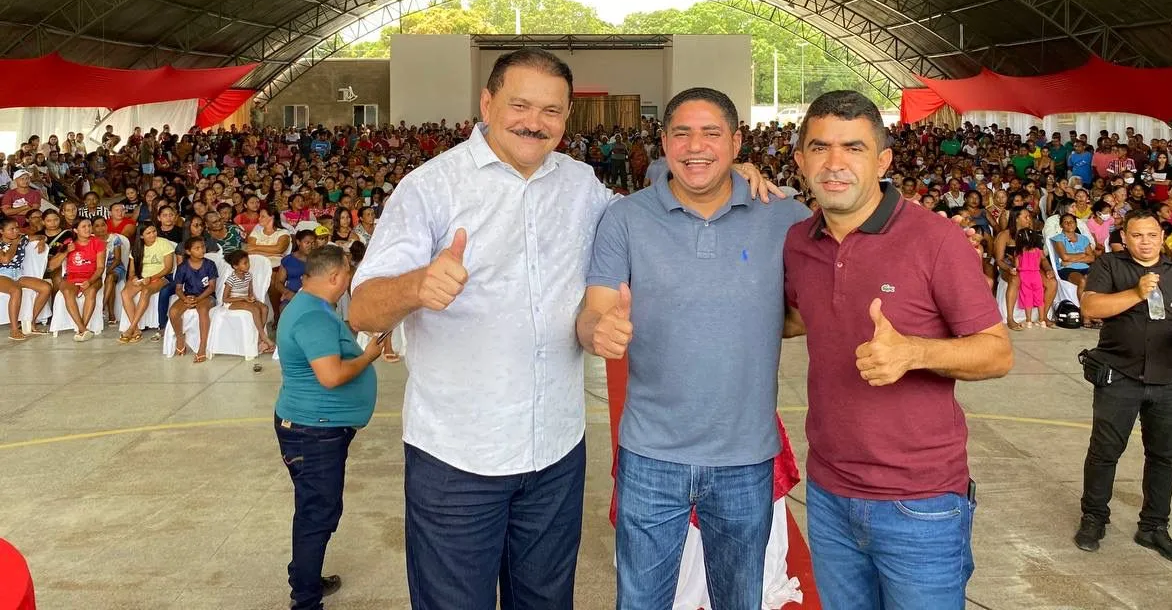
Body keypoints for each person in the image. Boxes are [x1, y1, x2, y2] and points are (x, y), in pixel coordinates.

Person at [347, 49, 773, 610]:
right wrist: (415, 286)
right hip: (457, 458)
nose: (534, 121)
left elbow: (648, 220)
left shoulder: (581, 185)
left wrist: (728, 177)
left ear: (567, 117)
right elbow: (361, 309)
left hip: (555, 453)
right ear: (487, 103)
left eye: (551, 110)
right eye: (520, 105)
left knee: (546, 601)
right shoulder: (431, 187)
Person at [578, 88, 809, 610]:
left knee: (739, 600)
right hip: (649, 455)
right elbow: (595, 310)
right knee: (640, 601)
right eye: (681, 133)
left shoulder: (785, 216)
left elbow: (809, 306)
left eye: (711, 133)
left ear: (736, 142)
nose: (695, 146)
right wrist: (597, 331)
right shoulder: (627, 218)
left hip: (745, 457)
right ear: (663, 142)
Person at [784, 91, 1012, 610]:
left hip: (921, 503)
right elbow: (798, 316)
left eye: (854, 148)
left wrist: (914, 352)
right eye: (819, 147)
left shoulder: (935, 240)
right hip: (829, 493)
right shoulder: (799, 242)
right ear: (800, 160)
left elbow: (997, 353)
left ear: (883, 160)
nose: (834, 163)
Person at [1074, 211, 1172, 563]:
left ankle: (1154, 527)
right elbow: (1091, 307)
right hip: (1118, 376)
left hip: (1167, 379)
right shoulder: (1109, 265)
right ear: (1126, 236)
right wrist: (1137, 292)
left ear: (1161, 235)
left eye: (1152, 234)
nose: (1146, 241)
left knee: (1164, 456)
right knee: (1105, 451)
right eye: (1137, 235)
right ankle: (1094, 517)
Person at [275, 243, 381, 610]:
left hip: (311, 427)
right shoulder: (314, 317)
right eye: (348, 273)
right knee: (317, 513)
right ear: (336, 276)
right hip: (314, 431)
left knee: (312, 507)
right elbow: (332, 376)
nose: (350, 279)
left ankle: (304, 575)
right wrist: (367, 356)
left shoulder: (312, 307)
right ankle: (305, 598)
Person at [120, 222, 174, 343]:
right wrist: (133, 278)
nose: (152, 235)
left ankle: (131, 327)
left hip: (161, 277)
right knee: (124, 293)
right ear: (141, 236)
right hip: (141, 278)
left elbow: (168, 268)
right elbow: (132, 272)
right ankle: (137, 330)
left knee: (146, 291)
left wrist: (151, 277)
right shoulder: (137, 248)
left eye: (154, 231)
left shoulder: (164, 243)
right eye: (148, 233)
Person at [0, 219, 53, 340]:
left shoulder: (22, 238)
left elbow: (41, 236)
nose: (16, 231)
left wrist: (41, 241)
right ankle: (14, 330)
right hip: (2, 275)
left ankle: (31, 323)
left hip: (18, 274)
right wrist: (15, 244)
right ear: (2, 231)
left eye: (17, 228)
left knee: (46, 288)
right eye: (11, 229)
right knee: (16, 290)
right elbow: (5, 259)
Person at [168, 236, 218, 362]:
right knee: (173, 312)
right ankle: (180, 339)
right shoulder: (183, 267)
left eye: (203, 247)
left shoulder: (210, 265)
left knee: (202, 310)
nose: (201, 250)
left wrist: (198, 299)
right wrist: (185, 299)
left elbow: (211, 287)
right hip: (189, 295)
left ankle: (202, 347)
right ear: (188, 252)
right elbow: (178, 289)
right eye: (197, 248)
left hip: (206, 296)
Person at [57, 217, 105, 341]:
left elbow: (100, 268)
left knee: (91, 292)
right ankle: (83, 329)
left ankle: (81, 329)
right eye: (84, 226)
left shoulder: (98, 242)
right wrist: (66, 252)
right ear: (75, 230)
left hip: (92, 277)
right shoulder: (68, 242)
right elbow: (52, 266)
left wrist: (90, 281)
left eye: (89, 226)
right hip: (71, 277)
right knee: (67, 292)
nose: (88, 229)